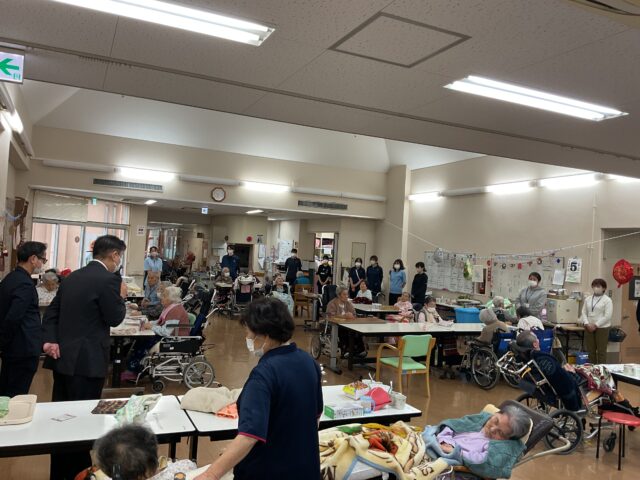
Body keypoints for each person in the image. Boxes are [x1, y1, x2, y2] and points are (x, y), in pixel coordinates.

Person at [194, 298, 322, 480]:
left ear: (265, 336)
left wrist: (210, 474)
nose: (247, 337)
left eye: (248, 332)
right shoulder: (309, 362)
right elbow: (313, 418)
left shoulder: (264, 375)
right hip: (305, 469)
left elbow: (249, 435)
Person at [42, 235, 127, 480]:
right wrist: (121, 297)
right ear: (114, 255)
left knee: (62, 420)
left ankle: (60, 473)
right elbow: (114, 318)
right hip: (88, 362)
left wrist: (49, 341)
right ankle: (79, 473)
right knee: (82, 422)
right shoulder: (110, 279)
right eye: (119, 256)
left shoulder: (72, 277)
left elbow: (53, 313)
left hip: (63, 359)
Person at [421, 405, 530, 479]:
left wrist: (455, 452)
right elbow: (451, 426)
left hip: (446, 464)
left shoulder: (497, 448)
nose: (492, 429)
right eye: (495, 421)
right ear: (495, 414)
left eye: (500, 433)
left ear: (508, 440)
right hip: (435, 444)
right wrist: (446, 442)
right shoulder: (480, 420)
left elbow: (481, 462)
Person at [0, 241, 47, 397]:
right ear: (33, 259)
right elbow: (14, 317)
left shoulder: (10, 278)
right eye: (42, 259)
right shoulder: (24, 284)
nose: (42, 263)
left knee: (6, 392)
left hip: (13, 348)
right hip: (22, 349)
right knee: (15, 395)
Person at [514, 331, 581, 411]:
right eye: (537, 338)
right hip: (561, 394)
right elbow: (564, 382)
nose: (538, 340)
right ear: (535, 344)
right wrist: (571, 373)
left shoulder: (524, 358)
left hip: (537, 389)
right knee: (583, 376)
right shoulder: (545, 360)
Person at [581, 278, 613, 364]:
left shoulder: (607, 300)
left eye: (598, 286)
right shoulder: (588, 299)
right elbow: (584, 312)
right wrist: (586, 323)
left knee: (601, 351)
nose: (596, 288)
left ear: (604, 288)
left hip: (602, 328)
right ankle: (592, 369)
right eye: (594, 286)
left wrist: (595, 325)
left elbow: (607, 316)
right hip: (588, 327)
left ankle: (601, 370)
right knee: (590, 351)